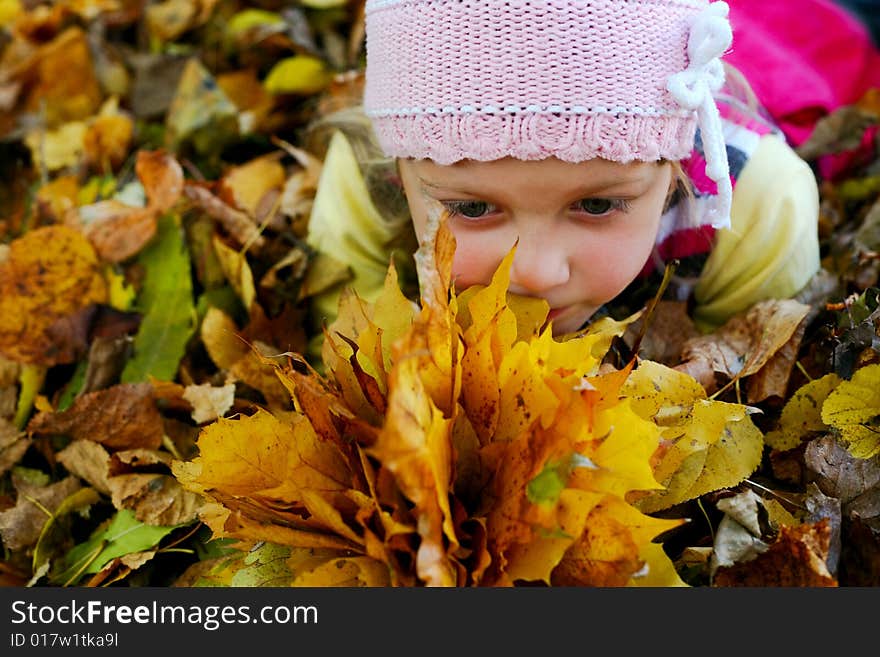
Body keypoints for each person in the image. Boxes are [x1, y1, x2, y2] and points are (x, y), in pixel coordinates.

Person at [304, 0, 822, 358]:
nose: (537, 273)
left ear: (671, 168)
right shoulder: (369, 168)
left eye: (596, 205)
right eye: (472, 209)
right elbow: (352, 342)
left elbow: (743, 372)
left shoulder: (756, 203)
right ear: (400, 168)